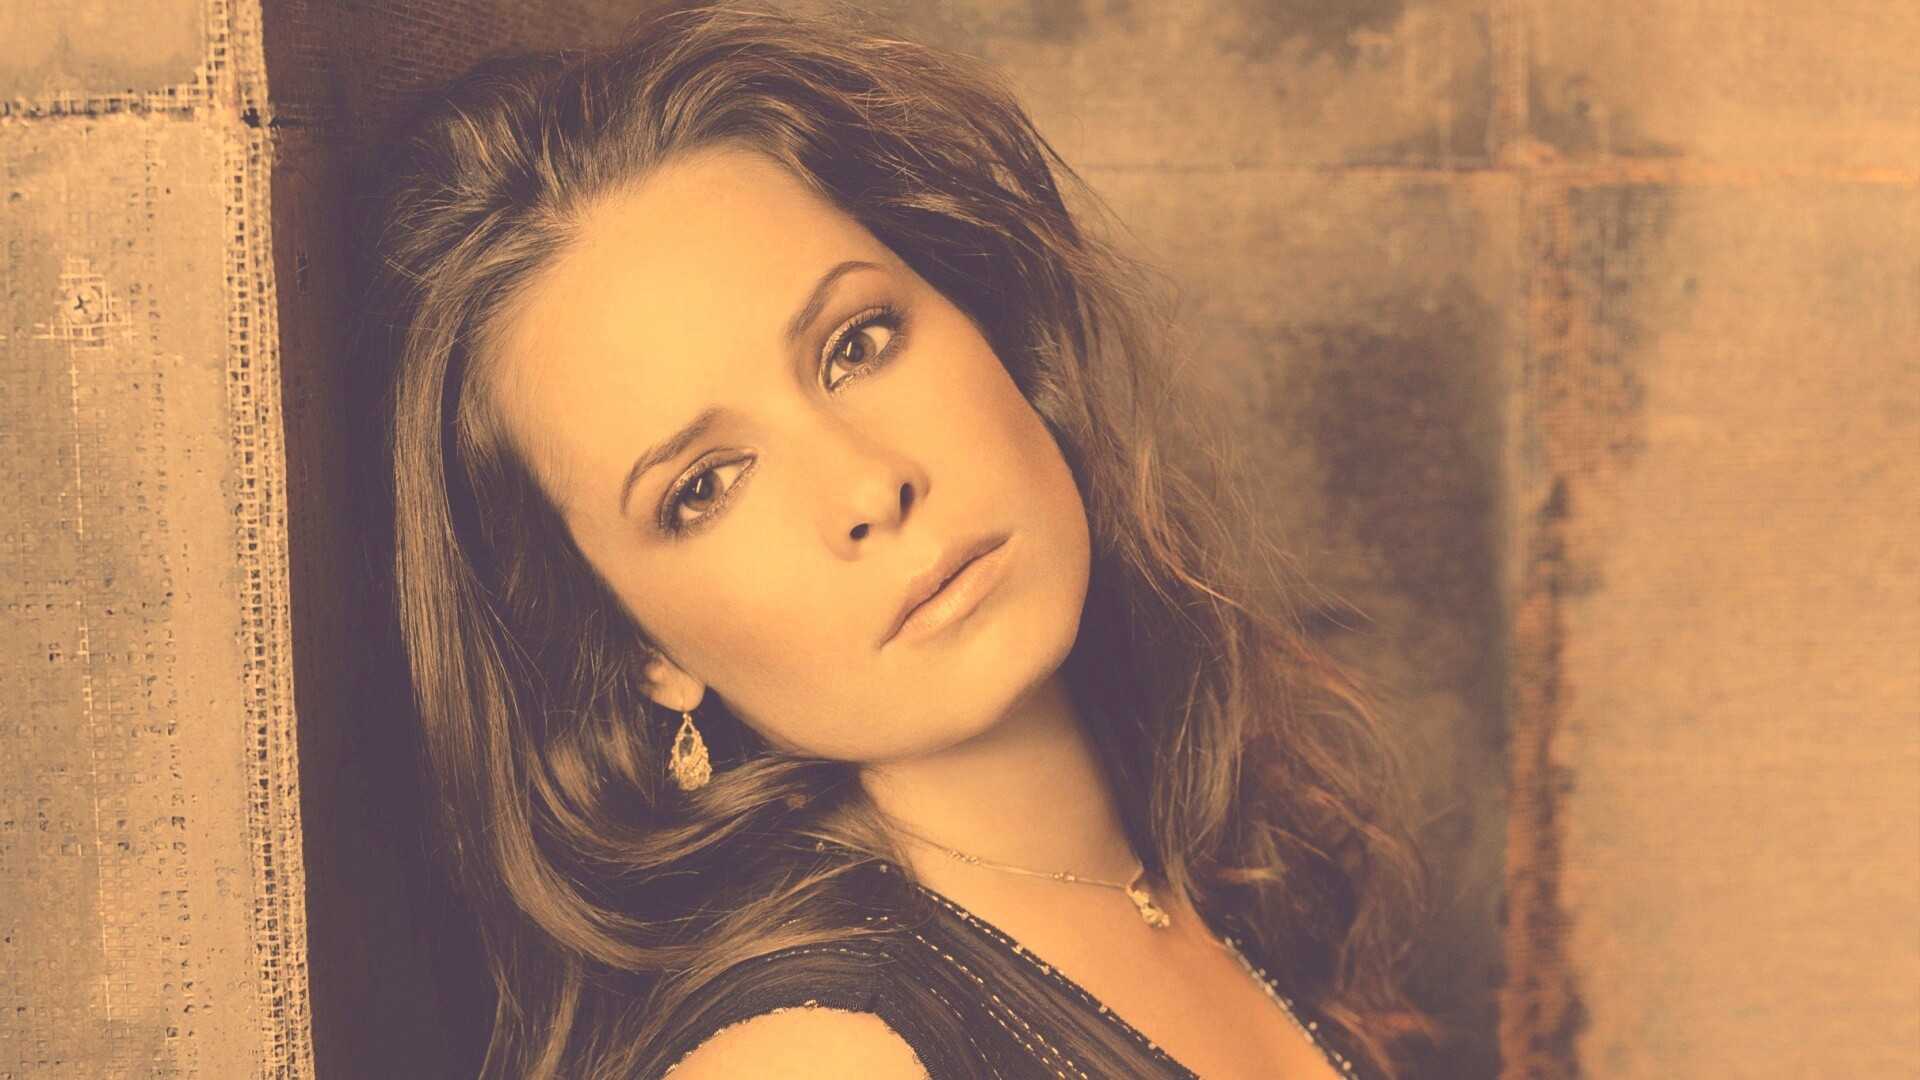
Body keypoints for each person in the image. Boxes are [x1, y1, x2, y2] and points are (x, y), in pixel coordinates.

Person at [360, 3, 1433, 1077]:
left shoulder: (1200, 868)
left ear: (987, 323)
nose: (869, 483)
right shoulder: (816, 1058)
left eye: (856, 345)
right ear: (642, 650)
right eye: (705, 486)